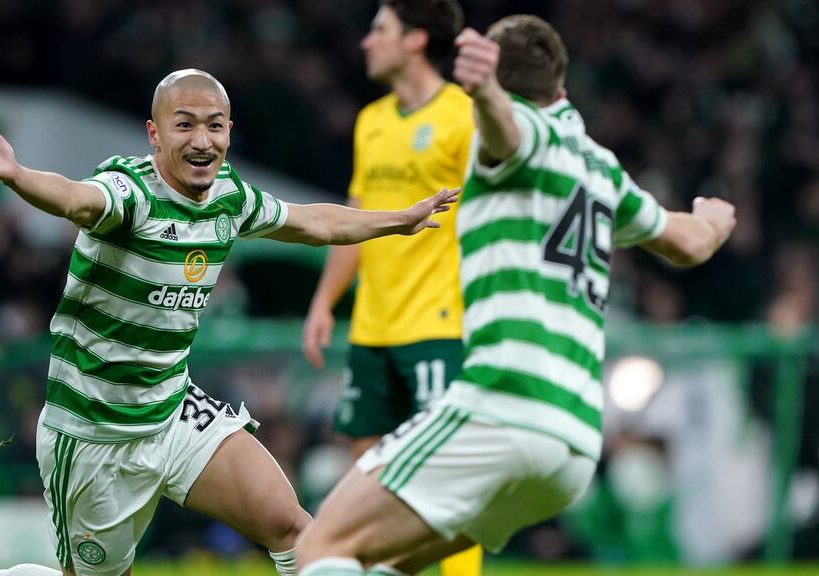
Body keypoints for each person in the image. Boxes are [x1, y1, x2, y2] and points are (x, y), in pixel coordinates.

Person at [0, 68, 457, 576]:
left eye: (214, 124)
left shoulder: (228, 196)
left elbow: (312, 221)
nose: (202, 139)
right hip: (93, 431)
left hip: (173, 410)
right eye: (185, 124)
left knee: (293, 528)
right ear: (155, 135)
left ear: (229, 131)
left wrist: (396, 220)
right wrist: (18, 175)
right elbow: (76, 198)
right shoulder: (130, 193)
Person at [296, 15, 737, 575]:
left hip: (504, 407)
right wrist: (715, 219)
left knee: (319, 550)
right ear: (562, 88)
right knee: (393, 564)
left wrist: (484, 93)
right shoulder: (602, 169)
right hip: (574, 443)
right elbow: (690, 243)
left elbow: (510, 133)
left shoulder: (514, 134)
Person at [300, 2, 481, 572]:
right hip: (373, 326)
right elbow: (357, 219)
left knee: (447, 477)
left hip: (440, 324)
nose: (365, 42)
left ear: (416, 40)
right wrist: (324, 302)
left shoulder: (466, 116)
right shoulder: (371, 120)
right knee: (368, 477)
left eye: (380, 30)